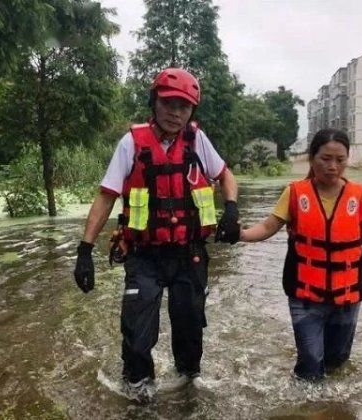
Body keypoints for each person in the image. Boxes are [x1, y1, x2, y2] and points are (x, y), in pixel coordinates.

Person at [73, 68, 240, 400]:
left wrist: (232, 209)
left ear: (192, 111)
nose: (176, 113)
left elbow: (225, 176)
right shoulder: (131, 143)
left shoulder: (197, 140)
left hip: (189, 252)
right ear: (154, 102)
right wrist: (84, 250)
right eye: (168, 103)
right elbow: (106, 196)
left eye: (184, 106)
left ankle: (187, 389)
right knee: (136, 335)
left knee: (190, 330)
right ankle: (138, 389)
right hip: (144, 255)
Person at [232, 128, 362, 381]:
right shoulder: (295, 193)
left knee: (337, 362)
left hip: (347, 296)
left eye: (340, 160)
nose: (333, 166)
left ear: (347, 160)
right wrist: (241, 234)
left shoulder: (360, 196)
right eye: (325, 158)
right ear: (312, 158)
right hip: (305, 296)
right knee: (310, 363)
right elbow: (268, 227)